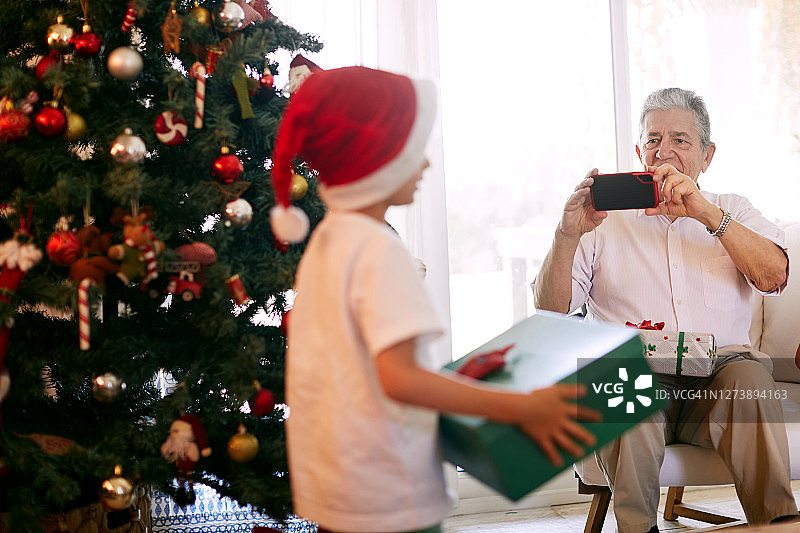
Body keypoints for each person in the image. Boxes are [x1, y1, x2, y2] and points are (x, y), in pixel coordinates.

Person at [269, 66, 602, 533]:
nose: (425, 164)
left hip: (340, 484)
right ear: (374, 156)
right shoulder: (379, 250)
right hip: (388, 493)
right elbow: (401, 380)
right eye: (412, 148)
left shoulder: (331, 240)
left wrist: (454, 379)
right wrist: (525, 407)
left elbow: (365, 369)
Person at [532, 87, 798, 533]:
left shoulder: (732, 210)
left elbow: (775, 276)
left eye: (680, 139)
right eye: (653, 140)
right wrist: (565, 234)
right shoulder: (602, 222)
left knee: (749, 376)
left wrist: (708, 216)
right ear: (640, 152)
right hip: (633, 373)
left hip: (719, 376)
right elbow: (551, 311)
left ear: (707, 156)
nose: (664, 151)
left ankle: (779, 526)